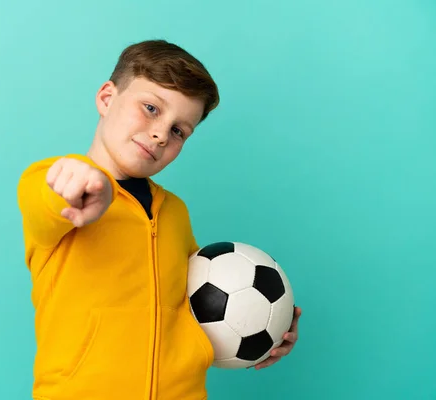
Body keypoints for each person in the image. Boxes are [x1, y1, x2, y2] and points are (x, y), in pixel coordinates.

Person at [17, 39, 301, 400]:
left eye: (179, 130)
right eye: (151, 108)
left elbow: (194, 307)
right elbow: (48, 204)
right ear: (107, 98)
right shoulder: (50, 180)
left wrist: (264, 324)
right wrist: (76, 185)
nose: (161, 134)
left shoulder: (174, 212)